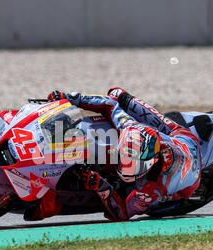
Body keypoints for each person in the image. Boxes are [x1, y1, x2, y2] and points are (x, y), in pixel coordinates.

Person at [24, 87, 202, 222]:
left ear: (150, 163)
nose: (124, 166)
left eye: (133, 164)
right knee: (117, 93)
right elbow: (110, 104)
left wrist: (102, 187)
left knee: (127, 194)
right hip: (176, 139)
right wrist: (71, 98)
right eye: (124, 157)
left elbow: (123, 214)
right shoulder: (128, 126)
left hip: (188, 167)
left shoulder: (152, 189)